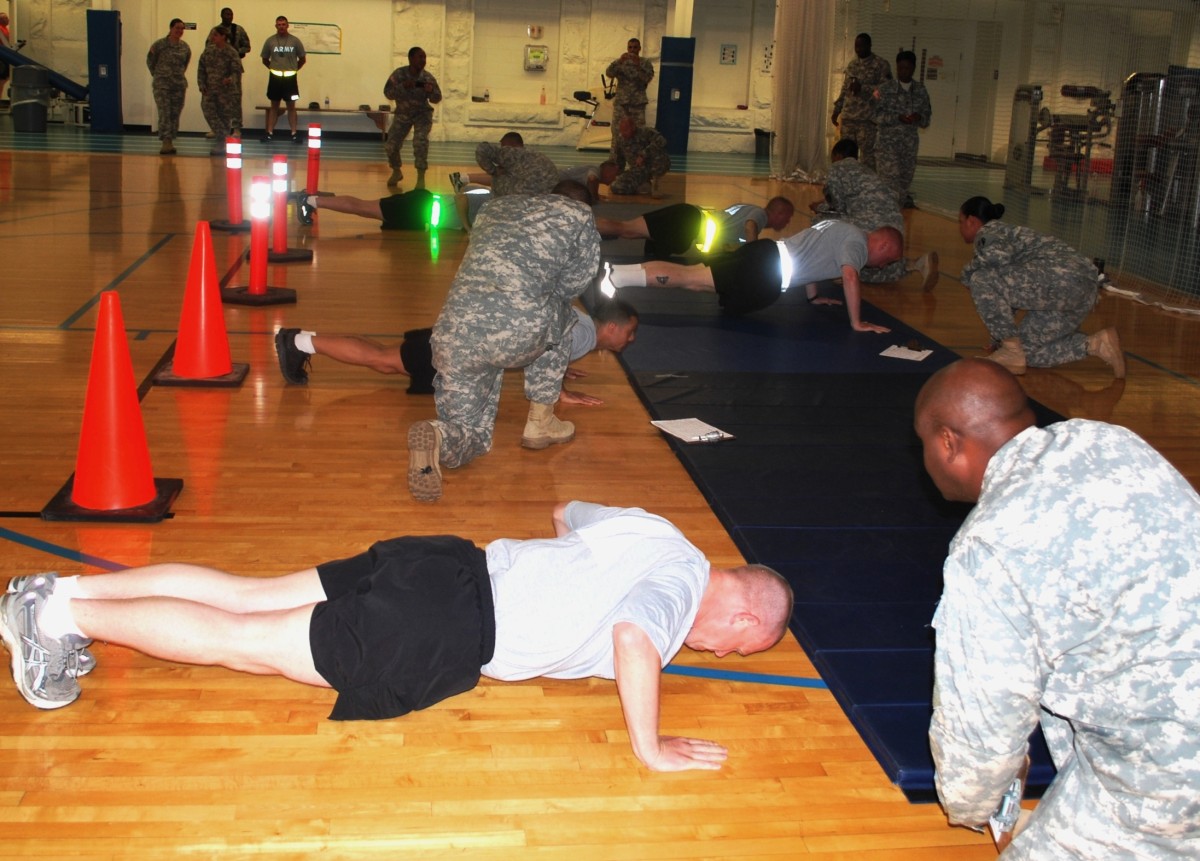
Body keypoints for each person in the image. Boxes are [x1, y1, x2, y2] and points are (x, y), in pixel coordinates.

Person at [0, 501, 795, 773]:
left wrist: (563, 587)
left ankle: (65, 589)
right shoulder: (679, 588)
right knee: (239, 639)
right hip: (437, 627)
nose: (718, 652)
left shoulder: (666, 537)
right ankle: (53, 621)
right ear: (744, 619)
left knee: (246, 594)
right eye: (736, 646)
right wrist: (650, 746)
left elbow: (568, 514)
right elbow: (632, 637)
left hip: (442, 563)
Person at [914, 358, 1200, 859]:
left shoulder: (991, 545)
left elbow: (979, 738)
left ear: (946, 442)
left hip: (1171, 774)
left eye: (923, 446)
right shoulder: (1111, 441)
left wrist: (971, 804)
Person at [407, 181, 600, 502]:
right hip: (515, 331)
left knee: (473, 434)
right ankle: (541, 422)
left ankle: (437, 435)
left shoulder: (496, 206)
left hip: (454, 332)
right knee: (563, 315)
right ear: (586, 204)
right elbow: (572, 285)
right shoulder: (579, 215)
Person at [273, 299, 638, 403]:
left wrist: (560, 370)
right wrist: (559, 388)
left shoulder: (582, 322)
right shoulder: (586, 339)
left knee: (387, 356)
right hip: (465, 344)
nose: (630, 340)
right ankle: (297, 342)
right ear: (611, 327)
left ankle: (303, 338)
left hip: (468, 330)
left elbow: (544, 345)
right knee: (385, 361)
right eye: (630, 333)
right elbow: (546, 351)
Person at [600, 219, 902, 332]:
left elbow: (816, 256)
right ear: (884, 244)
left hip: (765, 259)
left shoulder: (843, 228)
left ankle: (618, 275)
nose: (878, 266)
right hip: (764, 270)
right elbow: (850, 277)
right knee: (689, 278)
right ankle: (617, 276)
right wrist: (856, 322)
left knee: (696, 282)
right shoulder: (859, 245)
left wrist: (814, 296)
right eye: (885, 259)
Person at [958, 196, 1124, 378]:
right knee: (1025, 354)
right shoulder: (1010, 232)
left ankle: (1010, 350)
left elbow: (997, 259)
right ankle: (1095, 344)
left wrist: (966, 274)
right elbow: (1006, 294)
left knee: (980, 278)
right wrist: (999, 340)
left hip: (1060, 279)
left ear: (971, 221)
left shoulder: (990, 231)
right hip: (1083, 289)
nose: (959, 228)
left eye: (961, 221)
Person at [812, 139, 938, 290]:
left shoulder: (837, 167)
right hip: (894, 226)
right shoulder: (867, 170)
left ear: (837, 155)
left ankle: (838, 268)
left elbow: (838, 207)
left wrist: (819, 207)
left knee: (819, 221)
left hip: (871, 223)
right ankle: (915, 264)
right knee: (877, 265)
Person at [595, 197, 795, 258]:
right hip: (687, 221)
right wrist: (755, 255)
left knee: (628, 231)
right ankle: (586, 225)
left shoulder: (747, 208)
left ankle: (595, 230)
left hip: (687, 226)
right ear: (778, 213)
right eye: (787, 217)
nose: (787, 223)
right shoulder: (759, 214)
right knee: (625, 228)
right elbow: (750, 226)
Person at [874, 51, 932, 209]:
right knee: (889, 184)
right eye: (900, 68)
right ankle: (888, 216)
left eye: (907, 68)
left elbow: (927, 119)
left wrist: (918, 117)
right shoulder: (884, 89)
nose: (903, 71)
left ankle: (897, 220)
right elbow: (875, 115)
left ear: (913, 68)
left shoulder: (920, 91)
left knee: (904, 185)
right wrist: (896, 118)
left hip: (908, 146)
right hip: (887, 145)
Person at [831, 33, 892, 171]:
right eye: (856, 46)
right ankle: (846, 184)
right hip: (849, 119)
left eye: (862, 46)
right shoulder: (853, 65)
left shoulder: (880, 65)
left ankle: (866, 187)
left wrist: (863, 89)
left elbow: (884, 91)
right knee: (846, 156)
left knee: (868, 158)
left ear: (870, 45)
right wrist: (837, 109)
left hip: (867, 121)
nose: (858, 49)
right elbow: (845, 89)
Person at [383, 46, 442, 189]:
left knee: (420, 142)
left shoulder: (427, 78)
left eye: (424, 58)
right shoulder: (399, 75)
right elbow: (388, 93)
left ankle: (420, 179)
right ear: (410, 58)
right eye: (420, 57)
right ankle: (396, 171)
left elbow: (437, 98)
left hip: (422, 115)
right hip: (403, 114)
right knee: (391, 144)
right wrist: (403, 86)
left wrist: (431, 91)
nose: (423, 60)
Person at [295, 186, 445, 230]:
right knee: (361, 207)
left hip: (422, 209)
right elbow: (461, 198)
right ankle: (310, 200)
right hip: (419, 208)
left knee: (361, 207)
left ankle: (315, 199)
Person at [605, 37, 655, 166]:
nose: (632, 50)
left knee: (639, 134)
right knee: (617, 134)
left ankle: (637, 165)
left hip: (637, 105)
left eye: (635, 47)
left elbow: (646, 79)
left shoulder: (645, 63)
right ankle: (616, 165)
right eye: (630, 47)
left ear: (639, 48)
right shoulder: (621, 62)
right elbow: (609, 73)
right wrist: (619, 61)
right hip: (621, 104)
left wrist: (638, 65)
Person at [146, 19, 191, 156]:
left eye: (182, 29)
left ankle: (171, 140)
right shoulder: (159, 45)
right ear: (171, 28)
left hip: (178, 85)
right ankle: (165, 141)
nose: (180, 31)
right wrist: (159, 75)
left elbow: (185, 63)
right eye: (177, 28)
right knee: (164, 112)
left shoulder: (185, 47)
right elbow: (150, 61)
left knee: (174, 114)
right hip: (162, 85)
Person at [197, 26, 242, 156]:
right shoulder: (208, 51)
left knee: (224, 116)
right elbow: (201, 69)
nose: (213, 37)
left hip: (225, 91)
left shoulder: (231, 52)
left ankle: (222, 143)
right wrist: (201, 84)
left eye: (216, 35)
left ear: (223, 36)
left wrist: (230, 79)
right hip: (209, 90)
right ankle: (224, 137)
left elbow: (236, 71)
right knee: (208, 111)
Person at [260, 15, 305, 143]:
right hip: (275, 79)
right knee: (274, 107)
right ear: (275, 26)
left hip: (290, 80)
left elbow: (302, 59)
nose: (281, 27)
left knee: (291, 107)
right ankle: (269, 133)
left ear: (287, 25)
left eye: (283, 24)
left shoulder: (295, 41)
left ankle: (294, 133)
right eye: (279, 24)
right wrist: (274, 69)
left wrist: (293, 70)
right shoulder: (270, 41)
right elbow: (264, 59)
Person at [471, 132, 559, 197]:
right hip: (548, 195)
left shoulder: (511, 153)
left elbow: (481, 149)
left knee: (500, 174)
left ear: (508, 145)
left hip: (521, 197)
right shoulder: (538, 155)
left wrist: (493, 170)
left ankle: (496, 202)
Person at [610, 117, 671, 196]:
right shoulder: (621, 140)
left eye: (626, 130)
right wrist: (617, 175)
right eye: (622, 131)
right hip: (638, 170)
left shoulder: (646, 132)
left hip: (653, 165)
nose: (623, 133)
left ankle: (656, 186)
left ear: (633, 127)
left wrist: (643, 155)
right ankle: (643, 185)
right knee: (616, 187)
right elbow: (619, 161)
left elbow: (662, 142)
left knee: (660, 154)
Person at [217, 7, 251, 133]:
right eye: (226, 14)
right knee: (219, 99)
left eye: (231, 14)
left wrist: (236, 52)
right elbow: (209, 46)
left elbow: (247, 46)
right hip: (218, 70)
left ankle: (236, 127)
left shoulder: (238, 30)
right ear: (221, 15)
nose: (229, 16)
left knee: (235, 98)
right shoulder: (216, 31)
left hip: (234, 69)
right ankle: (218, 128)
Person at [0, 12, 14, 105]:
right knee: (1, 79)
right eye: (5, 18)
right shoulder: (1, 29)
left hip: (5, 57)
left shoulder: (5, 29)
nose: (8, 20)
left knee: (6, 78)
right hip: (2, 57)